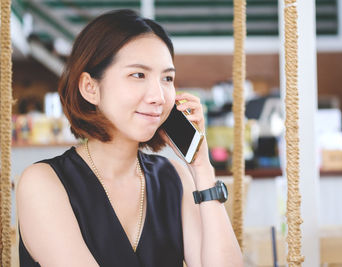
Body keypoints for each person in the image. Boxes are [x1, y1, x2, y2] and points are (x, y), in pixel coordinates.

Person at [16, 9, 243, 267]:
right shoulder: (43, 183)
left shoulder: (175, 178)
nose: (158, 96)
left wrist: (202, 167)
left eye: (167, 78)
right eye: (138, 75)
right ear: (90, 88)